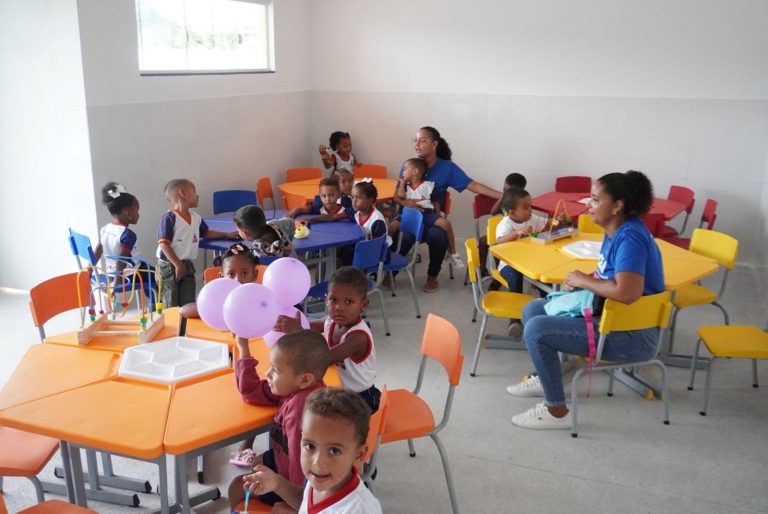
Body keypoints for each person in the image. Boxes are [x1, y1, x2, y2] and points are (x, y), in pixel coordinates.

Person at [507, 170, 665, 430]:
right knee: (533, 309)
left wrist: (584, 281)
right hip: (613, 319)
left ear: (616, 206)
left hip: (633, 335)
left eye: (595, 200)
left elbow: (627, 292)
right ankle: (548, 379)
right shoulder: (616, 231)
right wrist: (587, 278)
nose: (588, 205)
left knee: (537, 330)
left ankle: (556, 411)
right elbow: (610, 275)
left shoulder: (630, 238)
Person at [228, 330, 330, 510]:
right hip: (283, 461)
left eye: (275, 370)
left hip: (296, 486)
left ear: (305, 380)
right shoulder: (295, 388)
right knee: (258, 462)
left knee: (236, 487)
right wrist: (243, 347)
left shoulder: (300, 414)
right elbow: (252, 392)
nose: (268, 374)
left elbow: (300, 469)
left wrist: (292, 505)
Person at [392, 126, 501, 293]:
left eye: (422, 140)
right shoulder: (409, 165)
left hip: (431, 217)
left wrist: (501, 195)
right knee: (404, 236)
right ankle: (391, 273)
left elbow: (473, 185)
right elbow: (397, 196)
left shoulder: (447, 168)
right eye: (416, 140)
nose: (417, 144)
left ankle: (432, 276)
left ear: (434, 144)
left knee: (437, 235)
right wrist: (407, 203)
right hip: (409, 216)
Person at [242, 388, 382, 514]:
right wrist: (277, 483)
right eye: (310, 446)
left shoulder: (359, 509)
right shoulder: (321, 479)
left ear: (359, 455)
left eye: (334, 451)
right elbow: (306, 500)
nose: (318, 462)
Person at [275, 266, 381, 413]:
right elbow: (309, 327)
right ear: (326, 300)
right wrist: (298, 325)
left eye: (348, 301)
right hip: (338, 389)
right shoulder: (331, 321)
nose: (338, 307)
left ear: (363, 305)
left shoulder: (358, 337)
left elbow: (325, 358)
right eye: (333, 300)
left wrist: (298, 331)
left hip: (361, 398)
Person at [156, 179, 237, 307]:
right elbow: (164, 244)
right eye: (194, 191)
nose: (197, 195)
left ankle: (186, 320)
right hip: (169, 266)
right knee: (170, 302)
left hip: (187, 265)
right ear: (183, 193)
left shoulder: (196, 217)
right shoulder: (170, 218)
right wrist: (177, 264)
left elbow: (206, 233)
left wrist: (226, 234)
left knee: (188, 301)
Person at [494, 187, 559, 336]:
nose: (530, 210)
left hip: (531, 263)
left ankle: (548, 309)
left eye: (530, 206)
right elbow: (499, 241)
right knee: (515, 277)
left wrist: (556, 220)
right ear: (512, 213)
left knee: (546, 276)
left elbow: (547, 223)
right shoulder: (505, 224)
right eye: (526, 207)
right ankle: (515, 320)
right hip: (509, 264)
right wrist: (515, 233)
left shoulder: (531, 218)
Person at [389, 158, 464, 268]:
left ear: (415, 171)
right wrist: (402, 183)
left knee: (446, 224)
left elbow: (435, 203)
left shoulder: (429, 186)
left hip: (426, 213)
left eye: (405, 169)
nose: (402, 172)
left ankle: (453, 253)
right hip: (408, 214)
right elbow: (400, 196)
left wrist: (437, 215)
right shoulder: (405, 186)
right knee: (391, 227)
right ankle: (386, 251)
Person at [178, 243, 259, 319]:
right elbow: (183, 310)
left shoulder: (259, 297)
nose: (237, 279)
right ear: (222, 277)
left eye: (244, 273)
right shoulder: (220, 298)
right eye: (231, 274)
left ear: (255, 274)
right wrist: (218, 308)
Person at [94, 182, 142, 273]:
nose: (138, 214)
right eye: (137, 210)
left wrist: (89, 270)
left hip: (110, 273)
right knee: (158, 276)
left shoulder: (105, 229)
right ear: (128, 213)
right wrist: (117, 281)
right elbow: (121, 261)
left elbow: (98, 250)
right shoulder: (127, 235)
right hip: (130, 275)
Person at [344, 180, 391, 265]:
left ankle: (357, 271)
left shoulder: (377, 221)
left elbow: (376, 246)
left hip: (380, 254)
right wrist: (316, 219)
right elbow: (335, 216)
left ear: (371, 200)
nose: (354, 201)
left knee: (349, 253)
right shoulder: (357, 212)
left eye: (359, 198)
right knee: (346, 250)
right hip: (367, 247)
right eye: (352, 197)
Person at [286, 177, 351, 223]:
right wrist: (293, 212)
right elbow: (301, 210)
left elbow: (333, 217)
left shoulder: (346, 208)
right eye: (324, 196)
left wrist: (310, 220)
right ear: (320, 197)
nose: (327, 199)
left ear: (339, 194)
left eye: (331, 195)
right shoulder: (318, 207)